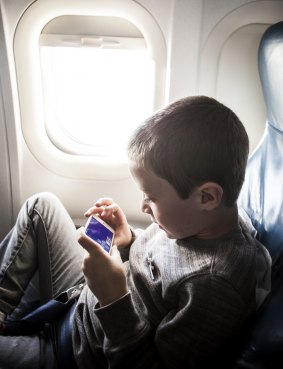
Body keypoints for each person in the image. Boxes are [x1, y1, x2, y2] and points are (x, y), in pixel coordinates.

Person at [0, 96, 271, 369]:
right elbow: (158, 270)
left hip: (73, 352)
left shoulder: (214, 287)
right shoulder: (193, 222)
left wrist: (113, 298)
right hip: (76, 300)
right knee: (41, 206)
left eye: (151, 197)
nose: (142, 206)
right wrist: (128, 240)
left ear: (207, 197)